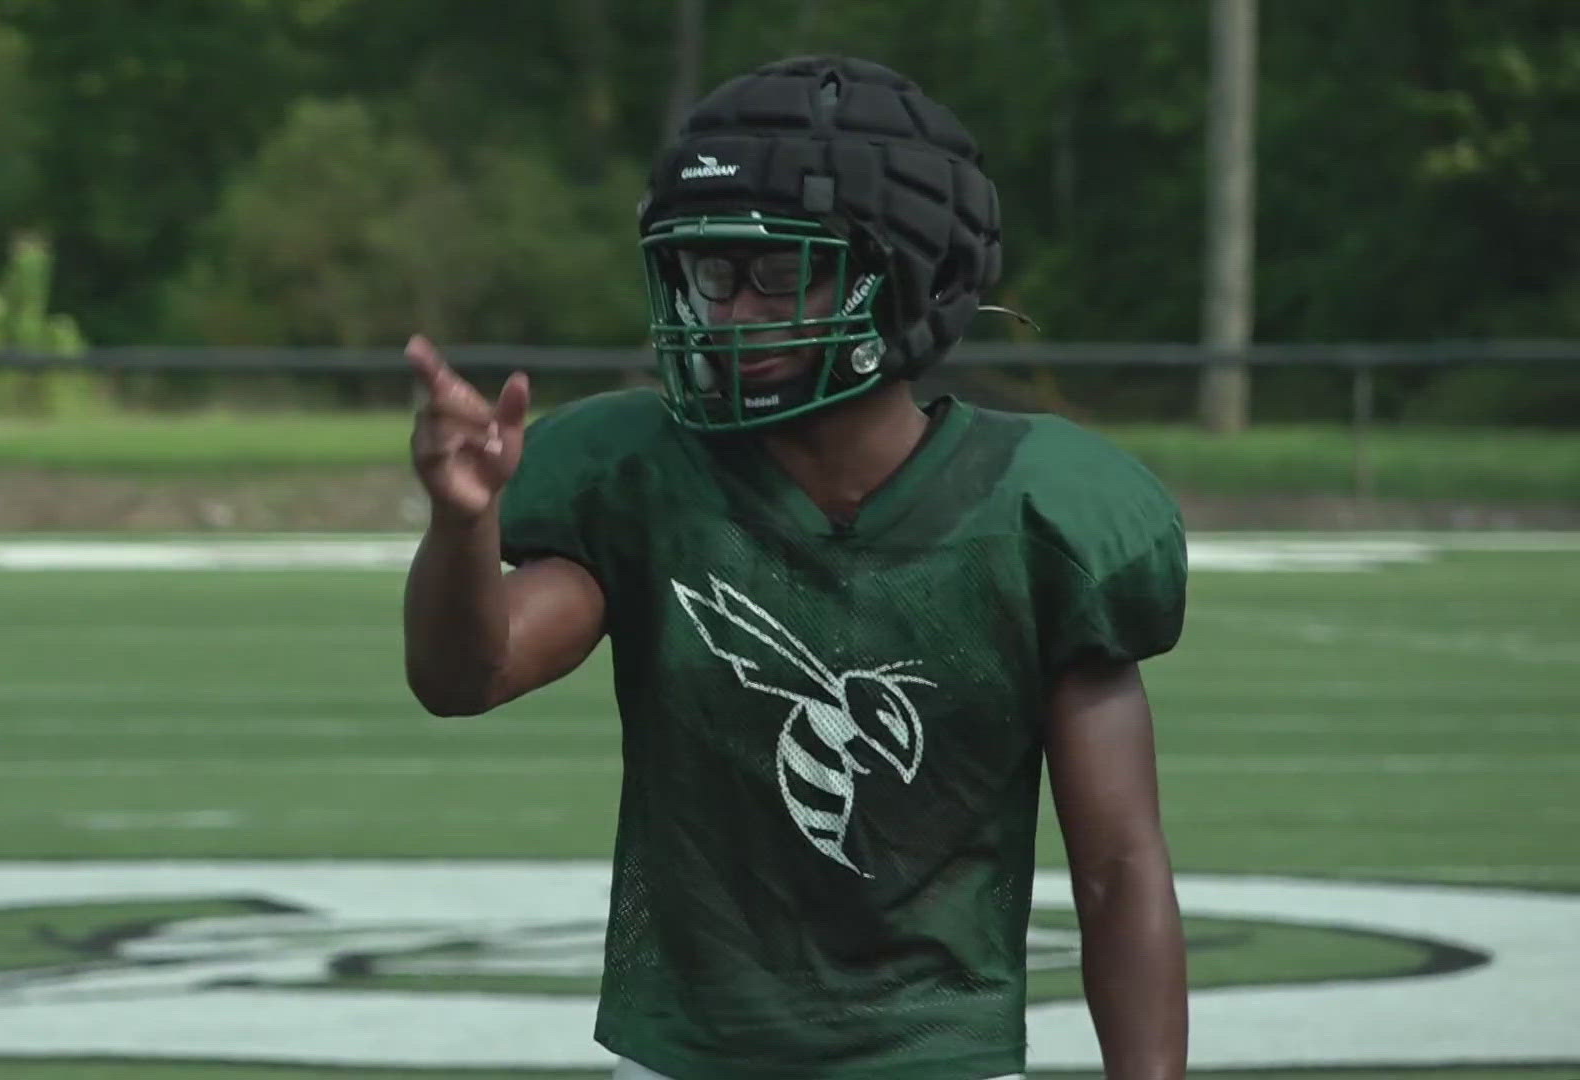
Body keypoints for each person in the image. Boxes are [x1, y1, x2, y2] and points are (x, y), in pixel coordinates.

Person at [403, 56, 1188, 1080]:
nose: (730, 311)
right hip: (686, 1055)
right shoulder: (646, 473)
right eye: (709, 272)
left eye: (778, 273)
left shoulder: (1039, 509)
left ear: (902, 269)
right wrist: (461, 524)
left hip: (935, 1056)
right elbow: (467, 677)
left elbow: (1120, 868)